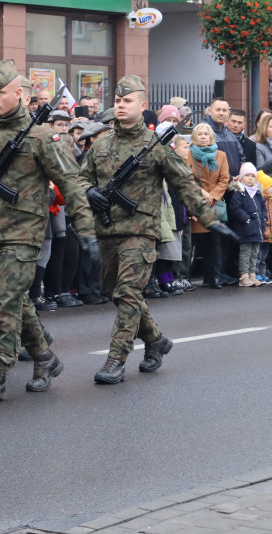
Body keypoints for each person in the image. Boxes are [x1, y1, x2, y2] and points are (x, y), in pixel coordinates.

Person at [0, 59, 97, 404]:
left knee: (6, 303)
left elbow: (70, 182)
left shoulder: (42, 136)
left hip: (25, 231)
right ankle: (45, 357)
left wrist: (86, 229)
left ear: (18, 93)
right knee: (15, 300)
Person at [80, 76, 236, 384]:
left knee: (128, 293)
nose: (120, 106)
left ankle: (116, 359)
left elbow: (184, 184)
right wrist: (89, 191)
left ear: (142, 106)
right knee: (115, 292)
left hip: (141, 231)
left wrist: (211, 220)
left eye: (127, 101)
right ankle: (155, 340)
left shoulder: (156, 146)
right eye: (117, 101)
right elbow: (81, 177)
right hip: (107, 229)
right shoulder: (101, 144)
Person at [187, 123, 231, 288]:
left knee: (214, 243)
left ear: (211, 137)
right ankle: (185, 277)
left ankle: (214, 277)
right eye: (200, 134)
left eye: (206, 134)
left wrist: (212, 196)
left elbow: (224, 179)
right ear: (194, 137)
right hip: (195, 203)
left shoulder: (221, 155)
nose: (203, 137)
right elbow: (185, 179)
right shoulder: (188, 155)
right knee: (191, 244)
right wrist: (201, 193)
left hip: (213, 204)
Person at [227, 162, 268, 287]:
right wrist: (246, 219)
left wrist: (264, 218)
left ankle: (252, 274)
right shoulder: (239, 191)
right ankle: (244, 276)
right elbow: (235, 208)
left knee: (255, 253)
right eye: (247, 175)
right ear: (241, 177)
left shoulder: (257, 192)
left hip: (257, 228)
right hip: (245, 229)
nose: (250, 178)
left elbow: (263, 207)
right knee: (245, 253)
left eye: (253, 176)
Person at [204, 97, 242, 176]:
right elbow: (205, 163)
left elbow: (242, 158)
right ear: (210, 112)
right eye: (218, 110)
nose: (221, 113)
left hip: (234, 182)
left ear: (228, 113)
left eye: (224, 110)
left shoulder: (231, 136)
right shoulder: (203, 133)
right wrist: (228, 178)